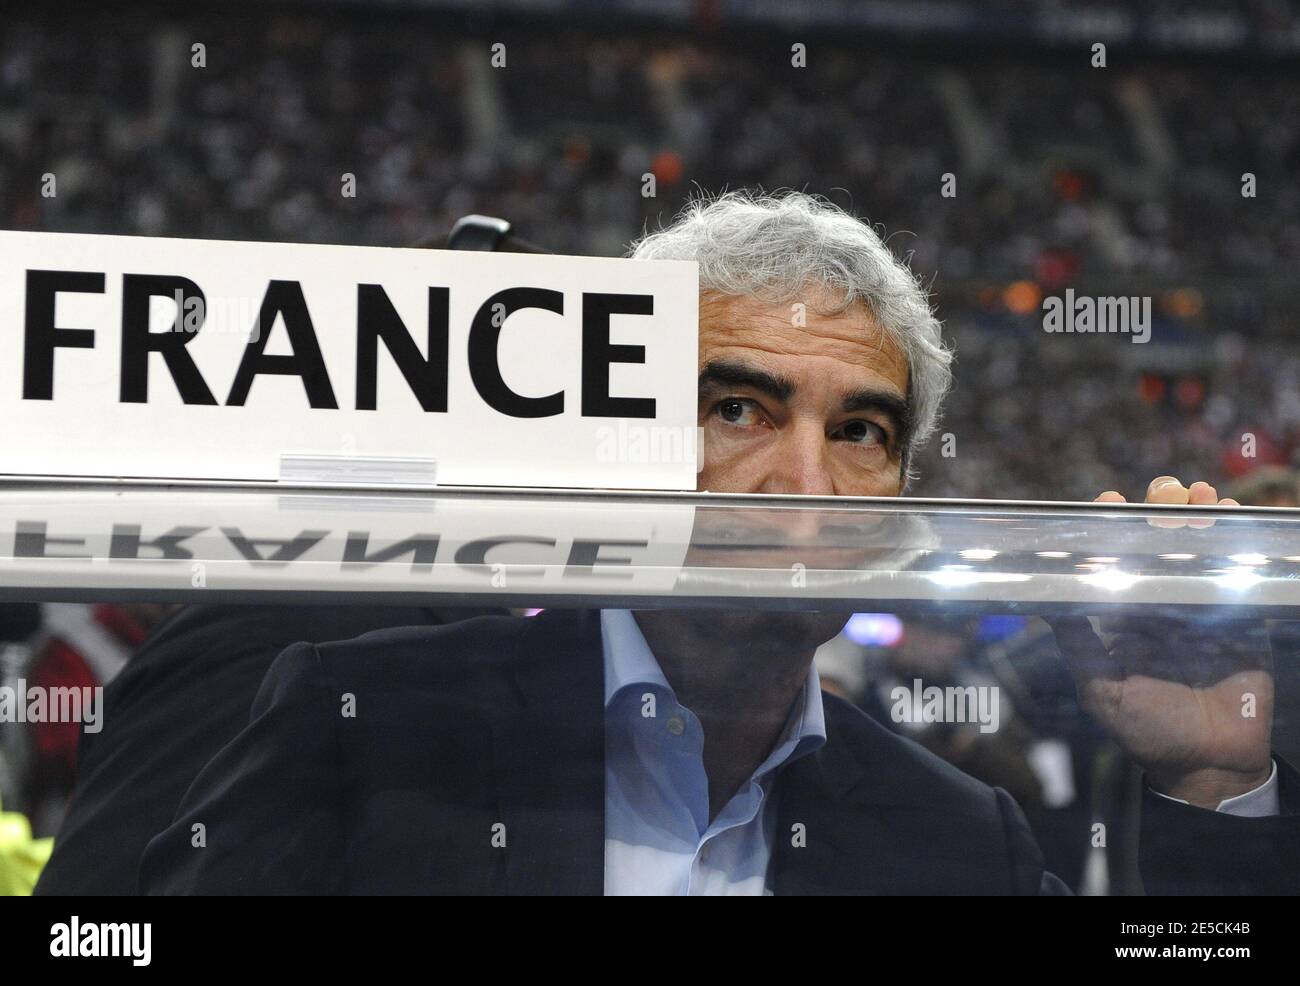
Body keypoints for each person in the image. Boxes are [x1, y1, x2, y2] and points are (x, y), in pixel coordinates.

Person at [141, 190, 1299, 894]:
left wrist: (1209, 776)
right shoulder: (369, 732)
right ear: (624, 442)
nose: (806, 482)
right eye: (738, 407)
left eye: (859, 429)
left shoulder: (956, 838)